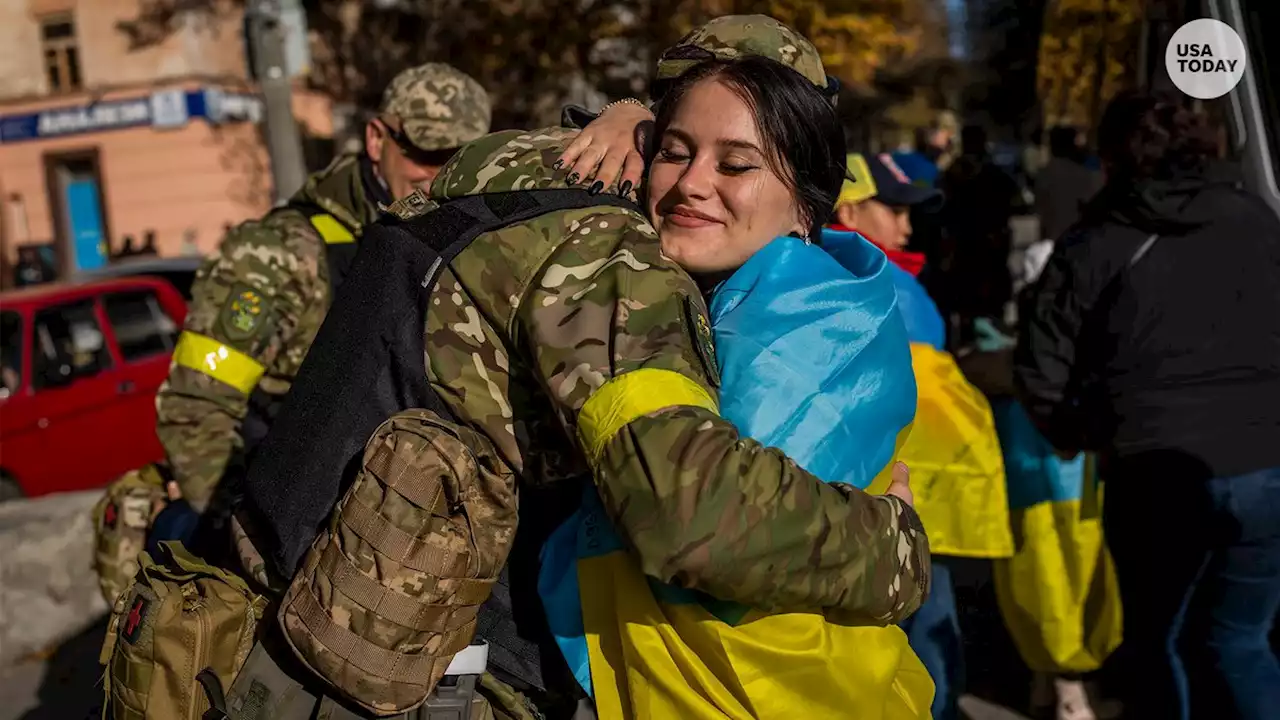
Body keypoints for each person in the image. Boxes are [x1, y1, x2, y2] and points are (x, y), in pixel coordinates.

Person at [1016, 90, 1280, 720]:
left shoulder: (1094, 241)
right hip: (1266, 465)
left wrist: (1081, 433)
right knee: (1240, 641)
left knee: (1157, 643)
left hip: (1149, 472)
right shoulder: (1258, 218)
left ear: (1111, 157)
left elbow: (1040, 366)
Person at [153, 62, 491, 515]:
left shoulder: (464, 239)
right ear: (377, 140)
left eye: (460, 157)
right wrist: (245, 534)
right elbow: (196, 408)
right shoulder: (280, 252)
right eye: (425, 152)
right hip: (299, 520)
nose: (439, 174)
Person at [1034, 126, 1103, 246]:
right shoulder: (1083, 175)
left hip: (1051, 241)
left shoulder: (1044, 174)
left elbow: (1040, 209)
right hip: (1074, 242)